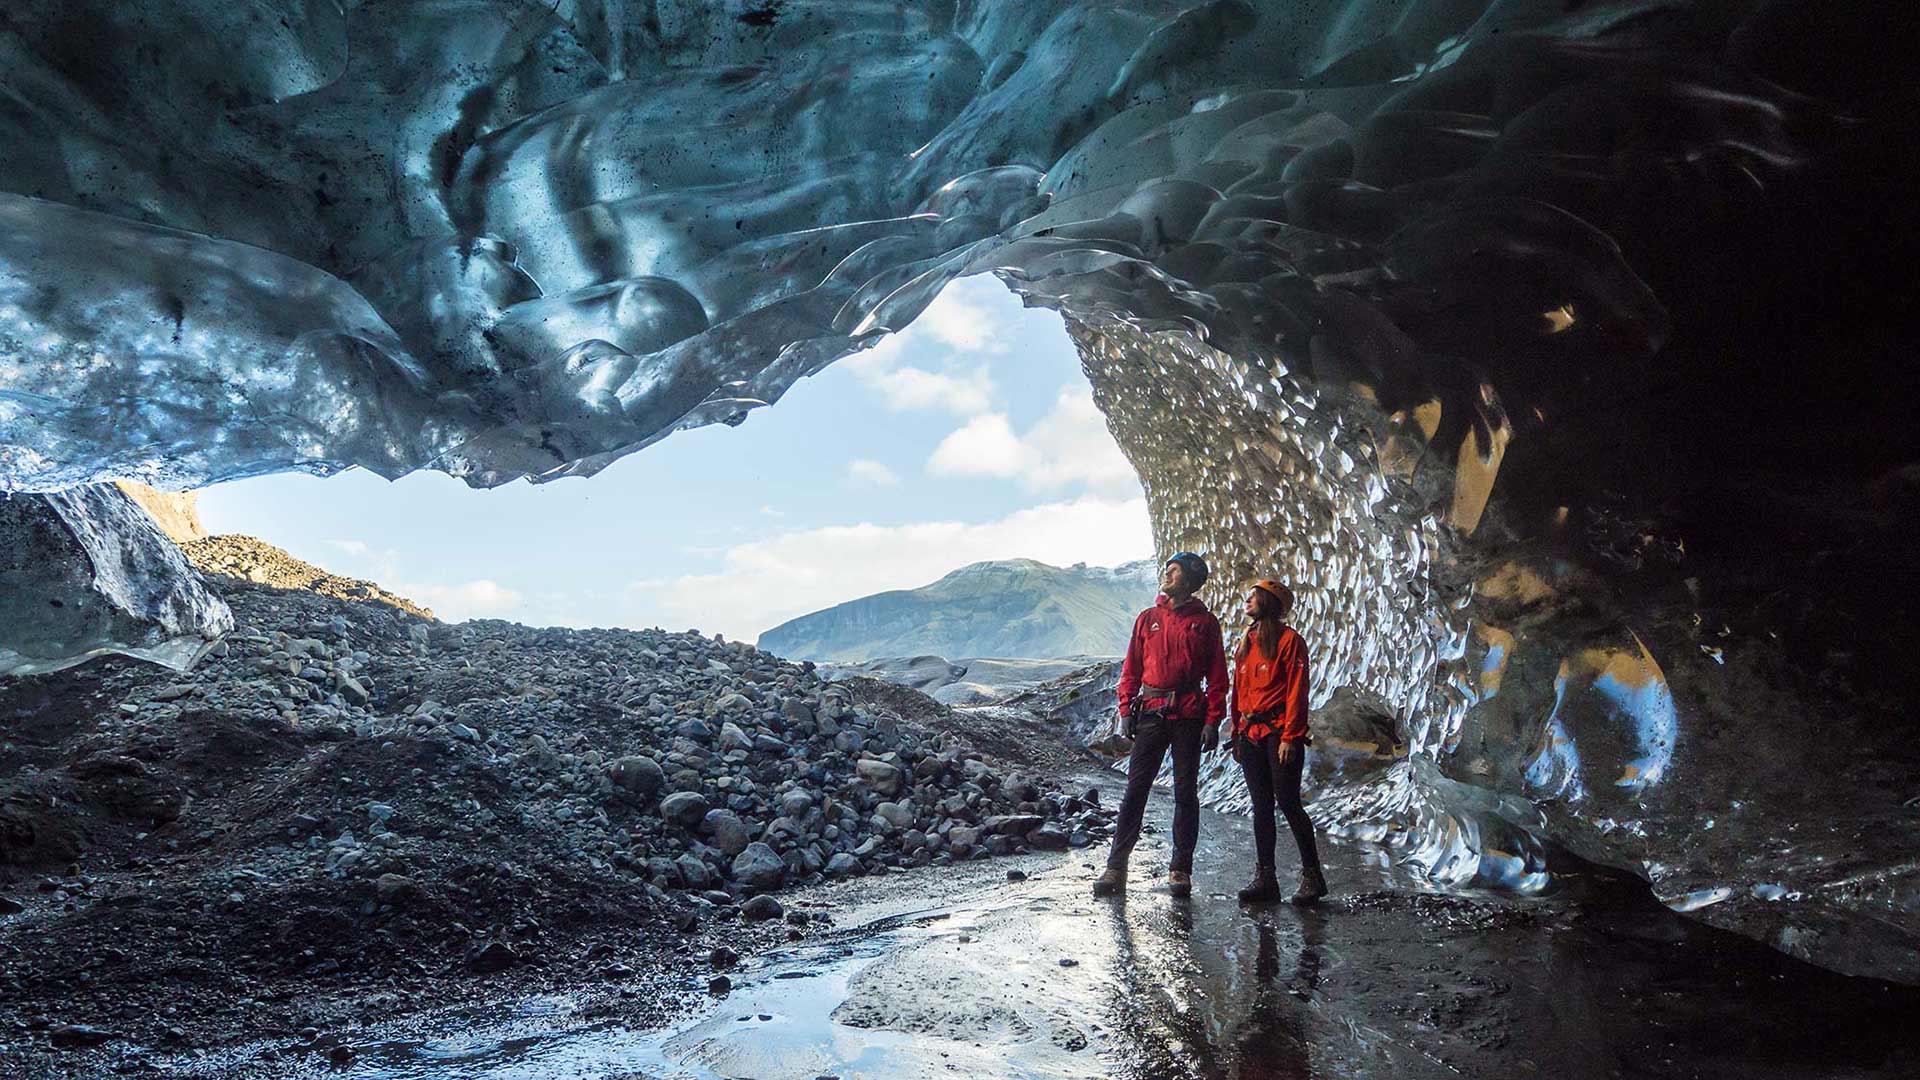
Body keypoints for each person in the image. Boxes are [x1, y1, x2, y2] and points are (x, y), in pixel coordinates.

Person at [1093, 552, 1230, 899]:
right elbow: (1132, 669)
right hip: (1152, 712)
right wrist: (1126, 710)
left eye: (1173, 571)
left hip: (1188, 714)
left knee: (1186, 793)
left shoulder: (1205, 623)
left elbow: (1217, 676)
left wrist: (1213, 720)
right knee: (1135, 790)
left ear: (1189, 580)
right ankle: (1116, 867)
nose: (1166, 576)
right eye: (1167, 571)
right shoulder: (1147, 619)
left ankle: (1180, 870)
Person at [1229, 579, 1326, 904]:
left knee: (1287, 802)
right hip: (1252, 733)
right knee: (1260, 806)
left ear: (1269, 602)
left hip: (1279, 733)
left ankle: (1313, 876)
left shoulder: (1289, 641)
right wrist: (1236, 732)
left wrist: (1291, 736)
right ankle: (1265, 877)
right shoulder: (1248, 641)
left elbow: (1297, 691)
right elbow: (1238, 689)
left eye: (1253, 597)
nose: (1247, 601)